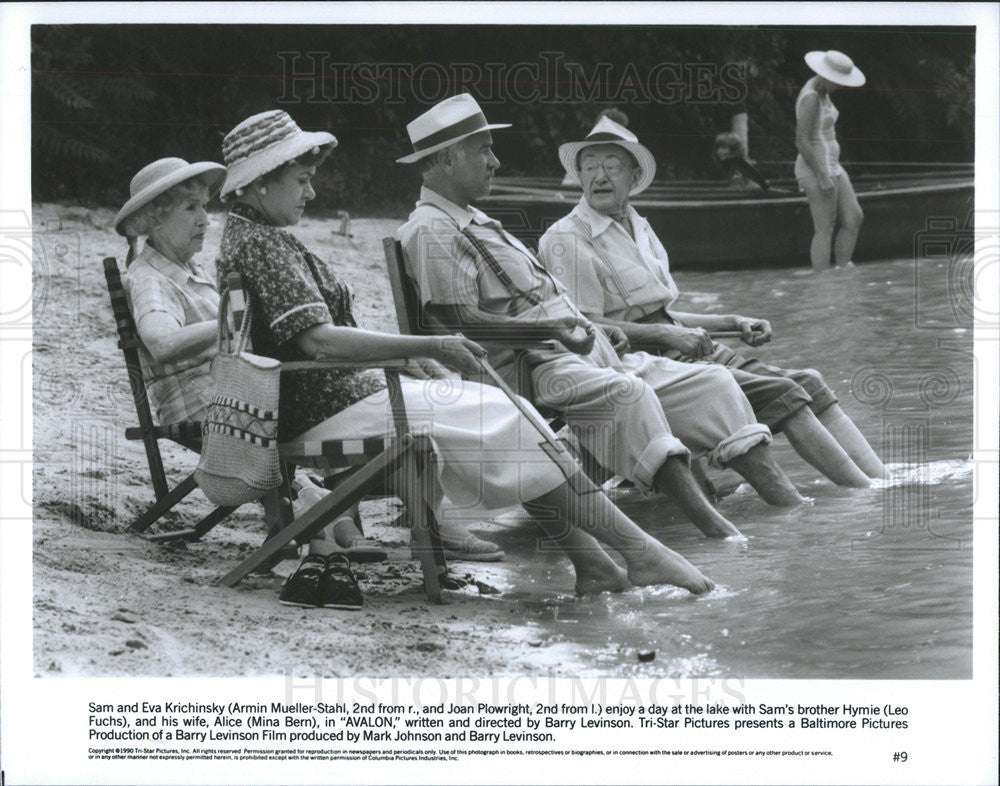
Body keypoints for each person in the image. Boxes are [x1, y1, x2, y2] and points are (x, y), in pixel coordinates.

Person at [215, 109, 715, 603]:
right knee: (502, 415)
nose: (313, 193)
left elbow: (317, 338)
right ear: (260, 183)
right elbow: (319, 341)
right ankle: (632, 551)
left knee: (505, 413)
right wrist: (431, 347)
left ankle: (601, 562)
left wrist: (418, 359)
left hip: (331, 398)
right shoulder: (262, 246)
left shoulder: (255, 237)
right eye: (302, 180)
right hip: (322, 410)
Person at [396, 94, 810, 544]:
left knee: (714, 383)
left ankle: (795, 517)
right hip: (532, 368)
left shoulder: (473, 219)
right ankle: (717, 532)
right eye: (484, 150)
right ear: (448, 160)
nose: (496, 162)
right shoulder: (432, 229)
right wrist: (552, 329)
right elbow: (458, 325)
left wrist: (590, 326)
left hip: (582, 348)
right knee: (629, 395)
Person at [538, 117, 886, 483]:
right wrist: (668, 337)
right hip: (640, 363)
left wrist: (731, 323)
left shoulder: (638, 224)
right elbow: (586, 330)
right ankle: (863, 494)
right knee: (785, 393)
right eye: (589, 167)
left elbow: (663, 313)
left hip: (682, 348)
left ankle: (882, 480)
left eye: (611, 166)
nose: (599, 177)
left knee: (810, 380)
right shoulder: (567, 239)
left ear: (633, 175)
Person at [114, 157, 387, 568]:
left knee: (323, 391)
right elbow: (163, 343)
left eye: (205, 206)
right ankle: (328, 521)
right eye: (190, 208)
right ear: (153, 220)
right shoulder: (152, 280)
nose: (205, 219)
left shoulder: (187, 270)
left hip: (229, 393)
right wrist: (236, 318)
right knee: (322, 401)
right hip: (208, 405)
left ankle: (329, 517)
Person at [794, 50, 866, 272]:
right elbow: (801, 140)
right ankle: (822, 282)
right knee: (825, 228)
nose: (842, 86)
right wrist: (822, 175)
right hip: (816, 168)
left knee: (854, 217)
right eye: (838, 81)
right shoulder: (812, 97)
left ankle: (842, 269)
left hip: (832, 165)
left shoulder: (822, 90)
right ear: (825, 76)